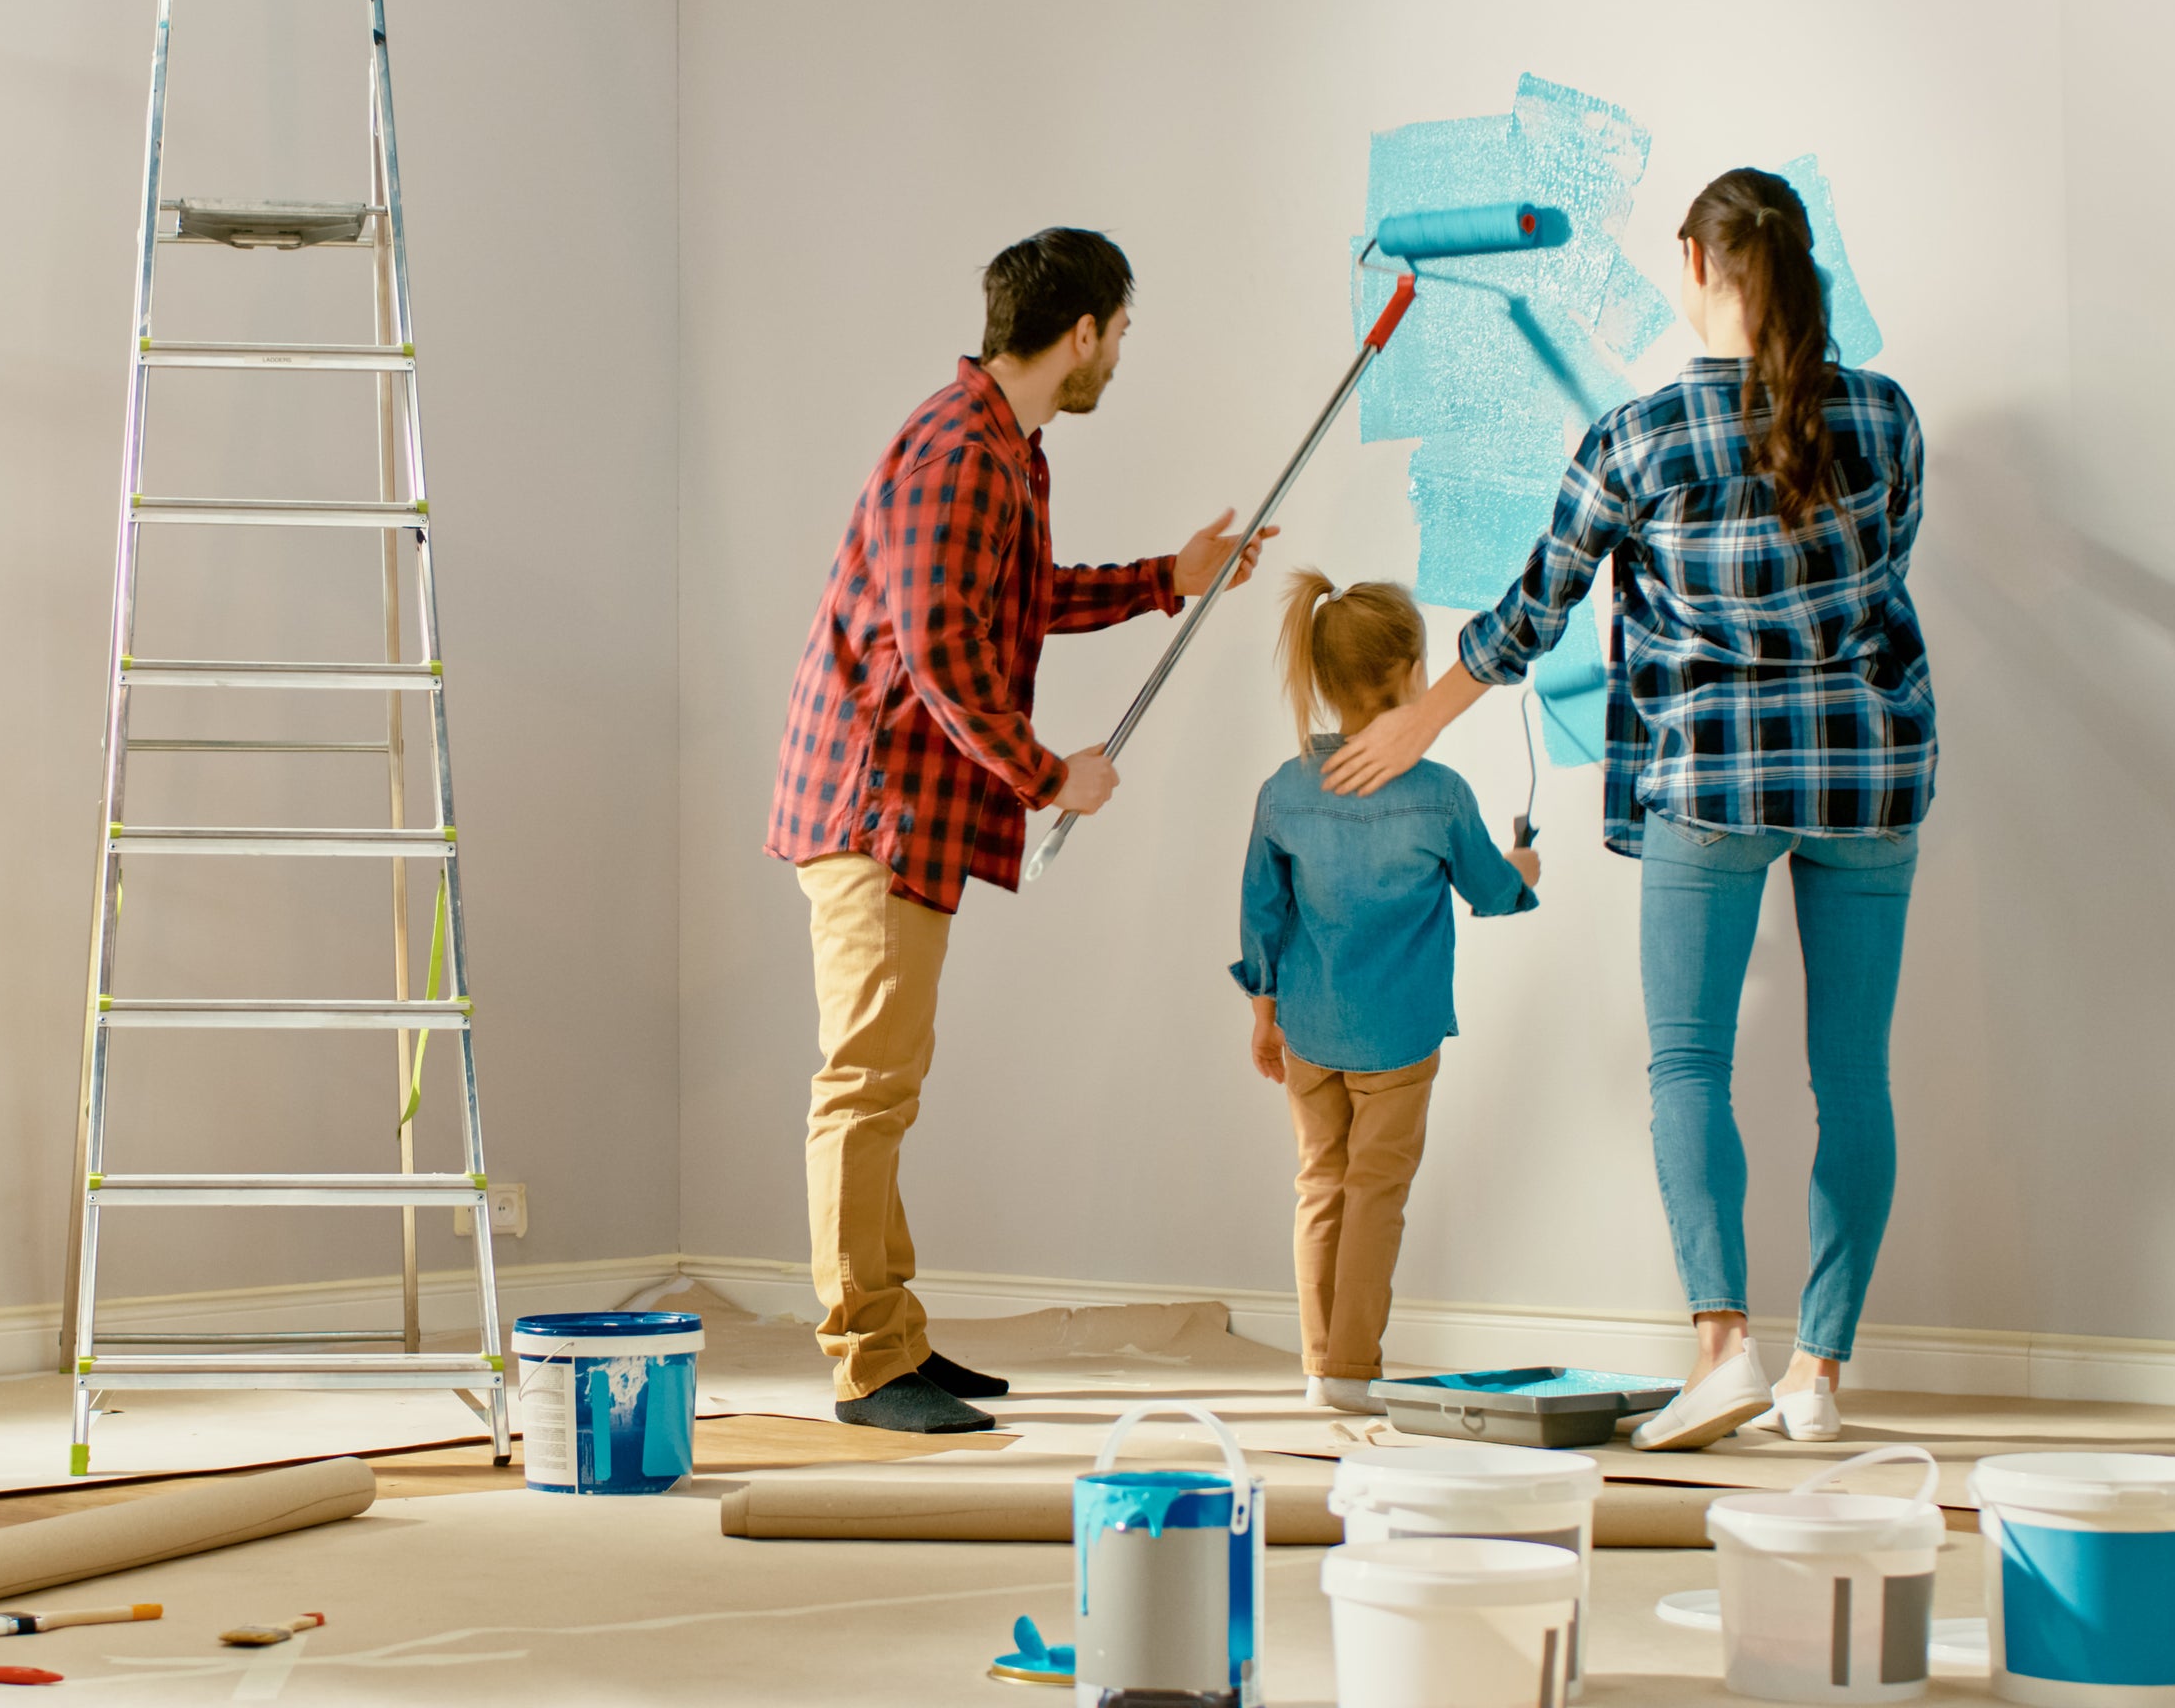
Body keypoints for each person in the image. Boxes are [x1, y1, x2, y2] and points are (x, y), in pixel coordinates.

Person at [1318, 168, 1934, 1450]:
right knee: (1854, 1077)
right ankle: (1817, 1376)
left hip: (1712, 779)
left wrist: (1417, 720)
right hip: (1867, 776)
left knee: (1688, 1063)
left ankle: (1724, 1351)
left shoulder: (1639, 438)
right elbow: (1890, 564)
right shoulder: (1885, 416)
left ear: (1694, 265)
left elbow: (1530, 612)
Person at [767, 227, 1273, 1434]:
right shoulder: (961, 455)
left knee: (887, 1084)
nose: (1121, 358)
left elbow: (1014, 599)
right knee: (866, 1088)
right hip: (876, 810)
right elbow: (943, 657)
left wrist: (1168, 576)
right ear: (1083, 331)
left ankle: (895, 1337)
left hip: (906, 814)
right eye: (1123, 334)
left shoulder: (1005, 448)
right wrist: (1052, 776)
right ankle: (866, 1364)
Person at [1233, 571, 1539, 1412]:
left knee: (1318, 1186)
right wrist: (1524, 870)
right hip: (1399, 1038)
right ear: (1411, 678)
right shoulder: (1440, 796)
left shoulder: (1285, 791)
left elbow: (1262, 916)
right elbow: (1491, 891)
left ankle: (1317, 1364)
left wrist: (1264, 1014)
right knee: (1375, 1195)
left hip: (1308, 1028)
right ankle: (1351, 1372)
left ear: (1326, 683)